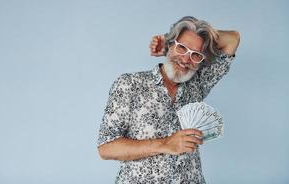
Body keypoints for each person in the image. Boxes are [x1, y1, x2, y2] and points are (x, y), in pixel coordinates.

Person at [97, 16, 240, 184]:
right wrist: (165, 144)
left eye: (195, 54)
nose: (186, 59)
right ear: (170, 47)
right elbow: (106, 148)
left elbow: (233, 39)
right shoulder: (129, 84)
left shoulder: (198, 85)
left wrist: (168, 38)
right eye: (181, 48)